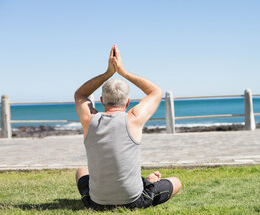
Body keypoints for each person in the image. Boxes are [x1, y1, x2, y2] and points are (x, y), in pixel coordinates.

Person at [74, 44, 181, 210]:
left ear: (102, 101)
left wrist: (107, 73)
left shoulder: (89, 119)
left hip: (97, 204)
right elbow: (156, 92)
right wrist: (123, 72)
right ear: (128, 102)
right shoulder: (134, 119)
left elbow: (80, 94)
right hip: (134, 201)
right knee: (176, 182)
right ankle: (147, 183)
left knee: (81, 171)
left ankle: (145, 182)